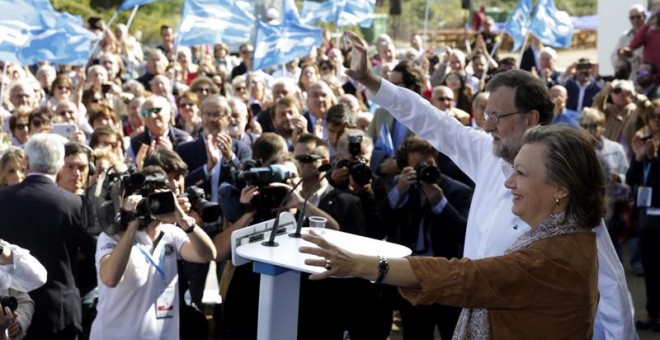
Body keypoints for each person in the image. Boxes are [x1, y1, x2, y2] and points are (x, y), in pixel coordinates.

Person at [341, 31, 635, 340]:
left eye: (496, 115)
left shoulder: (563, 184)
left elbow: (610, 285)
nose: (486, 124)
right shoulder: (487, 152)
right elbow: (432, 121)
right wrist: (372, 82)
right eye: (485, 114)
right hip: (470, 312)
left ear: (530, 118)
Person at [301, 124, 605, 338]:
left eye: (521, 173)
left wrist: (360, 264)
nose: (508, 183)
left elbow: (467, 277)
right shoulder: (563, 237)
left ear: (562, 188)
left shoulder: (554, 260)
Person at [90, 166, 216, 340]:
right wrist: (134, 222)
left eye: (164, 198)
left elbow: (207, 254)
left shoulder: (172, 233)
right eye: (154, 200)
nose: (159, 205)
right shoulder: (112, 237)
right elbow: (110, 278)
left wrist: (183, 219)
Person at [0, 134, 89, 339]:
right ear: (59, 165)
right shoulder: (74, 204)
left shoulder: (2, 199)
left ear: (27, 162)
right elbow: (95, 257)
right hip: (59, 311)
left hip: (9, 310)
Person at [626, 99, 660, 332]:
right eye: (653, 116)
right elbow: (632, 180)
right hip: (646, 216)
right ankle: (651, 314)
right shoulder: (645, 142)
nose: (657, 120)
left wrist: (655, 159)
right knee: (650, 267)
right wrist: (639, 158)